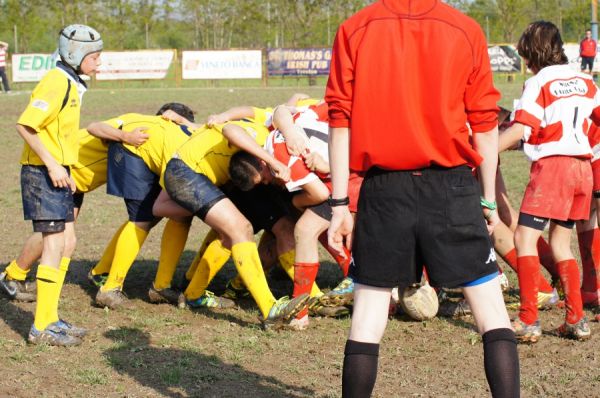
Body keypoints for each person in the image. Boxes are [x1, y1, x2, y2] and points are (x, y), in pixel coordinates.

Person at [325, 1, 519, 397]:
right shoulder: (463, 29)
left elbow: (339, 120)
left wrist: (340, 204)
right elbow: (484, 123)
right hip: (451, 188)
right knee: (492, 314)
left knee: (366, 319)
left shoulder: (356, 28)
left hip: (383, 193)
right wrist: (486, 199)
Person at [500, 21, 600, 343]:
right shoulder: (586, 80)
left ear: (533, 52)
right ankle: (576, 319)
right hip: (582, 169)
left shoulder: (539, 81)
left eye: (526, 56)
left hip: (553, 170)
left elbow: (520, 129)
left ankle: (529, 320)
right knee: (559, 243)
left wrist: (483, 149)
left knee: (524, 238)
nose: (526, 63)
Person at [11, 24, 102, 346]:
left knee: (67, 243)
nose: (99, 62)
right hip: (41, 173)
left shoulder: (71, 82)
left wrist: (66, 166)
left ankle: (50, 316)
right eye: (95, 55)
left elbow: (58, 135)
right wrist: (52, 165)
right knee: (53, 244)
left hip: (57, 171)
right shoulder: (55, 81)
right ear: (75, 54)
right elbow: (26, 125)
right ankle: (41, 326)